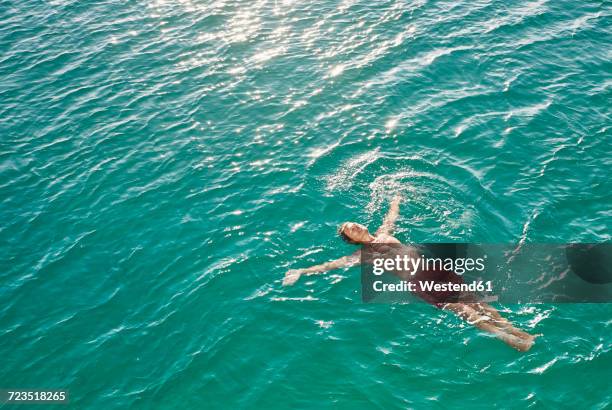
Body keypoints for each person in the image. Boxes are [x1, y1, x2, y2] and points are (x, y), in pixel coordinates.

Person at [283, 195, 538, 352]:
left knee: (478, 302)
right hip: (421, 282)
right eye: (352, 229)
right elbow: (332, 265)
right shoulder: (364, 254)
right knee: (467, 312)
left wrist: (396, 197)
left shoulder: (384, 232)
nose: (357, 226)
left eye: (355, 223)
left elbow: (391, 215)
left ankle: (517, 330)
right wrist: (302, 271)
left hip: (434, 271)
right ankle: (509, 340)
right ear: (353, 240)